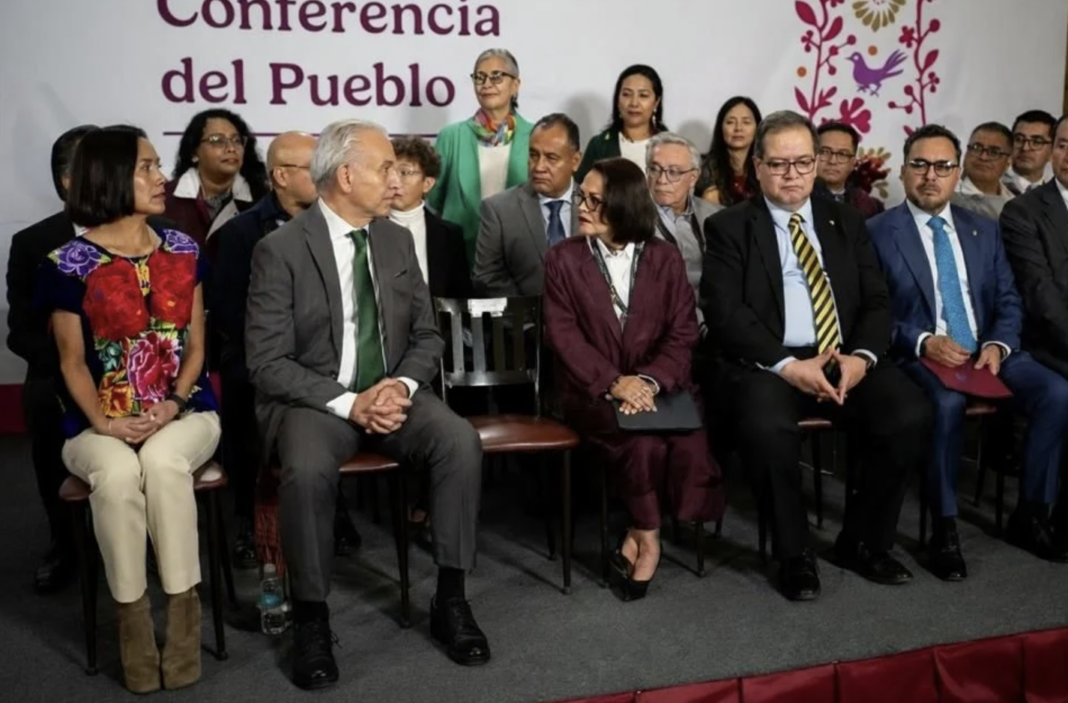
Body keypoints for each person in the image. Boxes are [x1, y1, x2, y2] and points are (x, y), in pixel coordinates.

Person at [245, 120, 488, 690]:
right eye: (385, 169)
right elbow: (267, 362)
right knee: (305, 470)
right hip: (316, 400)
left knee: (459, 441)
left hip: (393, 393)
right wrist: (351, 403)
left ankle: (451, 598)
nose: (396, 181)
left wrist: (399, 386)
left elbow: (427, 335)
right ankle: (311, 618)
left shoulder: (395, 240)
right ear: (347, 176)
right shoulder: (280, 250)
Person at [702, 110, 931, 602]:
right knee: (767, 426)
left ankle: (864, 542)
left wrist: (862, 358)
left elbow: (877, 300)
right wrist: (788, 365)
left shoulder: (845, 221)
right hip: (770, 363)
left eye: (803, 162)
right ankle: (794, 554)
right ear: (757, 167)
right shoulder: (729, 227)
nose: (793, 174)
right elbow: (725, 313)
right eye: (779, 164)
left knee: (908, 411)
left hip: (841, 355)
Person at [36, 126, 220, 693]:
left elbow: (197, 348)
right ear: (111, 177)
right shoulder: (66, 263)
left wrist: (173, 403)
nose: (161, 178)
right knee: (116, 476)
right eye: (146, 167)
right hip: (95, 421)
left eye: (157, 165)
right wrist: (106, 423)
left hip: (185, 411)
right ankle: (134, 630)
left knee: (162, 464)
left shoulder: (184, 249)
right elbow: (71, 363)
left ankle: (183, 627)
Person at [869, 124, 1068, 579]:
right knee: (946, 403)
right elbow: (871, 313)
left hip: (986, 350)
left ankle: (1032, 513)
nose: (930, 176)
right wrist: (923, 341)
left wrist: (998, 344)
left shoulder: (983, 229)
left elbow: (1010, 300)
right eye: (920, 165)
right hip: (922, 352)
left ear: (957, 173)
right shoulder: (877, 232)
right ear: (903, 171)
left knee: (1057, 393)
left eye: (942, 166)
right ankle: (944, 527)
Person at [6, 125, 177, 594]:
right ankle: (65, 541)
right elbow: (21, 332)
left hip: (149, 373)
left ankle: (160, 538)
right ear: (71, 180)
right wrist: (85, 367)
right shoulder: (35, 244)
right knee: (44, 399)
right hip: (66, 371)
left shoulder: (168, 237)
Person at [544, 157, 724, 601]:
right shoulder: (563, 259)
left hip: (660, 387)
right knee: (643, 444)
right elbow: (563, 337)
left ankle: (639, 532)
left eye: (594, 200)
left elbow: (683, 332)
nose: (581, 207)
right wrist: (615, 383)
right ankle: (649, 537)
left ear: (624, 205)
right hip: (591, 391)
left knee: (680, 442)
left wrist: (648, 381)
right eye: (581, 197)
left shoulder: (664, 257)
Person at [211, 131, 367, 568]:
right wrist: (279, 348)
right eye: (313, 167)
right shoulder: (240, 233)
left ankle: (333, 508)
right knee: (250, 386)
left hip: (324, 351)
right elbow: (226, 309)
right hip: (259, 350)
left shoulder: (341, 225)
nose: (325, 174)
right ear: (280, 176)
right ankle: (249, 517)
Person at [1000, 114, 1068, 548]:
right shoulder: (1023, 211)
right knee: (1060, 394)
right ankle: (1033, 513)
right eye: (1063, 144)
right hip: (1040, 344)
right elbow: (1041, 294)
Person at [427, 48, 533, 266]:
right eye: (480, 77)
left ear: (515, 85)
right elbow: (433, 199)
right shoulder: (451, 137)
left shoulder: (535, 136)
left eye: (497, 76)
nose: (486, 84)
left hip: (519, 256)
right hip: (459, 257)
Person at [474, 113, 581, 296]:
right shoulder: (498, 210)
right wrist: (529, 311)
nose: (538, 167)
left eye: (551, 158)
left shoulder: (600, 206)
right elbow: (486, 278)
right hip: (524, 314)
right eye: (533, 155)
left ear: (575, 161)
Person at [645, 131, 721, 330]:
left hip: (717, 321)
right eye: (655, 169)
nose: (661, 180)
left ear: (693, 177)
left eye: (674, 172)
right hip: (660, 324)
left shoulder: (717, 216)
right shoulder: (631, 221)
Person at [164, 108, 269, 252]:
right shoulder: (164, 199)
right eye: (217, 140)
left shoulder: (261, 200)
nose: (231, 148)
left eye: (237, 140)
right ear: (194, 153)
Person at [390, 136, 473, 298]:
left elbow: (460, 297)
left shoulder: (449, 235)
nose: (394, 181)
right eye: (389, 172)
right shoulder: (367, 228)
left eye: (405, 172)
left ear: (427, 184)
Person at [576, 64, 667, 182]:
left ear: (656, 102)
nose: (634, 103)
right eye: (626, 94)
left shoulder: (671, 146)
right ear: (617, 100)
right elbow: (582, 187)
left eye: (643, 95)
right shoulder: (600, 146)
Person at [696, 96, 762, 206]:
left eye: (746, 122)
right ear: (720, 127)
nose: (738, 128)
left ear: (758, 127)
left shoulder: (767, 168)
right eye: (730, 122)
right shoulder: (703, 169)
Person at [813, 122, 885, 219]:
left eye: (842, 154)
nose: (832, 161)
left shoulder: (868, 206)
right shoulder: (798, 199)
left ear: (852, 163)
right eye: (825, 152)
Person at [951, 122, 1015, 220]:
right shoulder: (948, 195)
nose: (983, 157)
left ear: (1009, 160)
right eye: (976, 148)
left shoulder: (1014, 204)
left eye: (994, 152)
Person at [1002, 110, 1056, 196]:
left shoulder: (1055, 195)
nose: (1025, 148)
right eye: (1019, 139)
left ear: (1052, 151)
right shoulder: (994, 186)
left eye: (1036, 142)